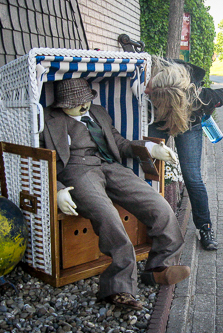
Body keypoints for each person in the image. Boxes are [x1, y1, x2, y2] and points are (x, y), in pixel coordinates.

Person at [39, 78, 190, 311]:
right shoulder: (48, 119)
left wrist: (151, 149)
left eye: (85, 101)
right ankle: (118, 287)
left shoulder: (98, 112)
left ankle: (160, 267)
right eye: (76, 104)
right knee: (108, 215)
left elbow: (119, 143)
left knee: (156, 203)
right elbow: (41, 160)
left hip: (111, 166)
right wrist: (57, 189)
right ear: (61, 105)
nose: (83, 107)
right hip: (77, 172)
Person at [145, 56, 223, 251]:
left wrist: (208, 105)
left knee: (192, 176)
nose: (146, 91)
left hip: (187, 123)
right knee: (146, 167)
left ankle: (205, 227)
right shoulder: (152, 69)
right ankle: (145, 223)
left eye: (150, 91)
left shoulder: (198, 97)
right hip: (157, 120)